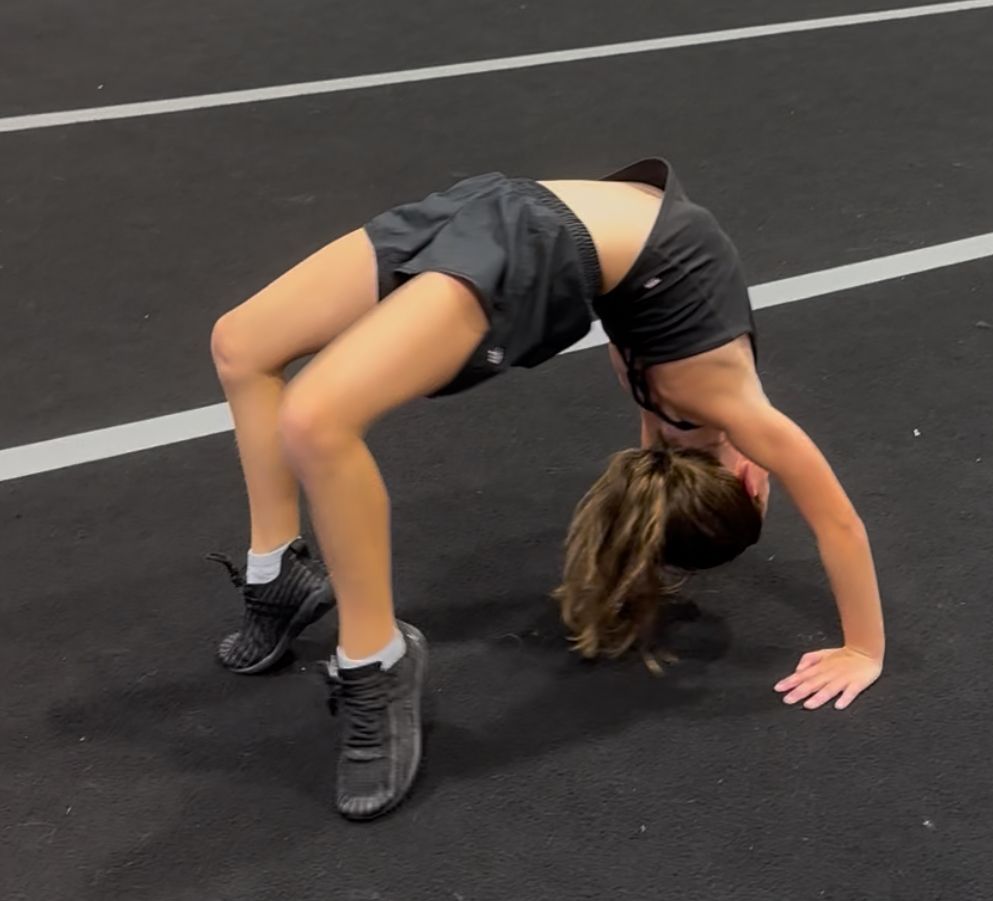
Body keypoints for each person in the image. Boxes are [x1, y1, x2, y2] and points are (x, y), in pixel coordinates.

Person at [207, 158, 885, 821]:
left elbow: (839, 524)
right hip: (514, 216)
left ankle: (375, 655)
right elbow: (699, 480)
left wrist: (864, 650)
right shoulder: (689, 398)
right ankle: (281, 570)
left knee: (315, 420)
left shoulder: (710, 399)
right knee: (240, 344)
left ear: (747, 478)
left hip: (532, 226)